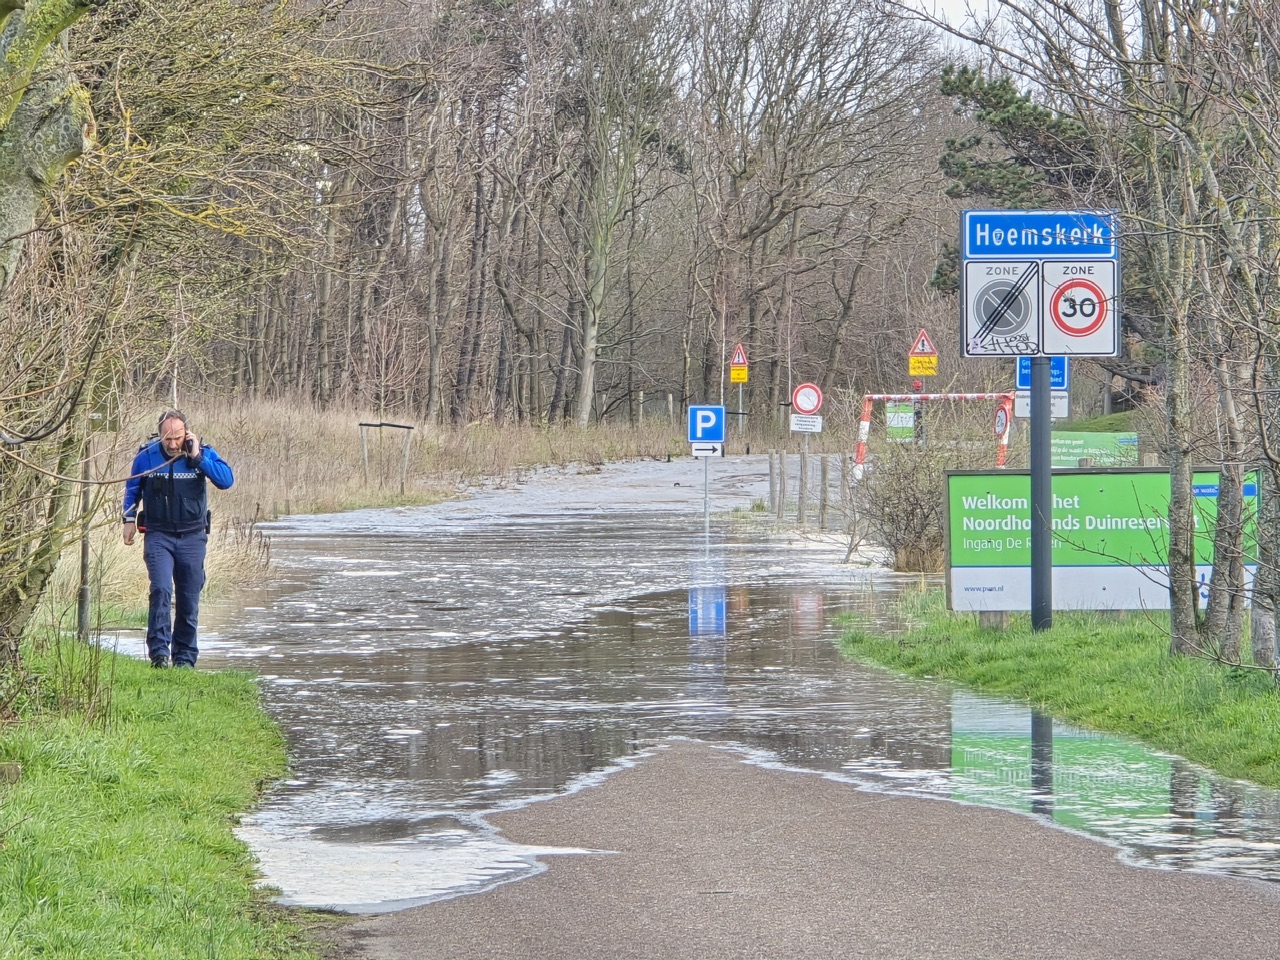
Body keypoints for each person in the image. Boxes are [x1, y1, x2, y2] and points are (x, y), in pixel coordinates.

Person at [122, 409, 234, 669]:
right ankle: (159, 654)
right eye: (167, 439)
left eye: (178, 438)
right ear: (159, 436)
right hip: (158, 534)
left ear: (187, 434)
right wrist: (128, 520)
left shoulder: (202, 453)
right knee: (161, 589)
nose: (173, 444)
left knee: (188, 597)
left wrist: (197, 457)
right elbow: (132, 488)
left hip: (192, 537)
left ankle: (184, 658)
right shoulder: (146, 456)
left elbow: (226, 481)